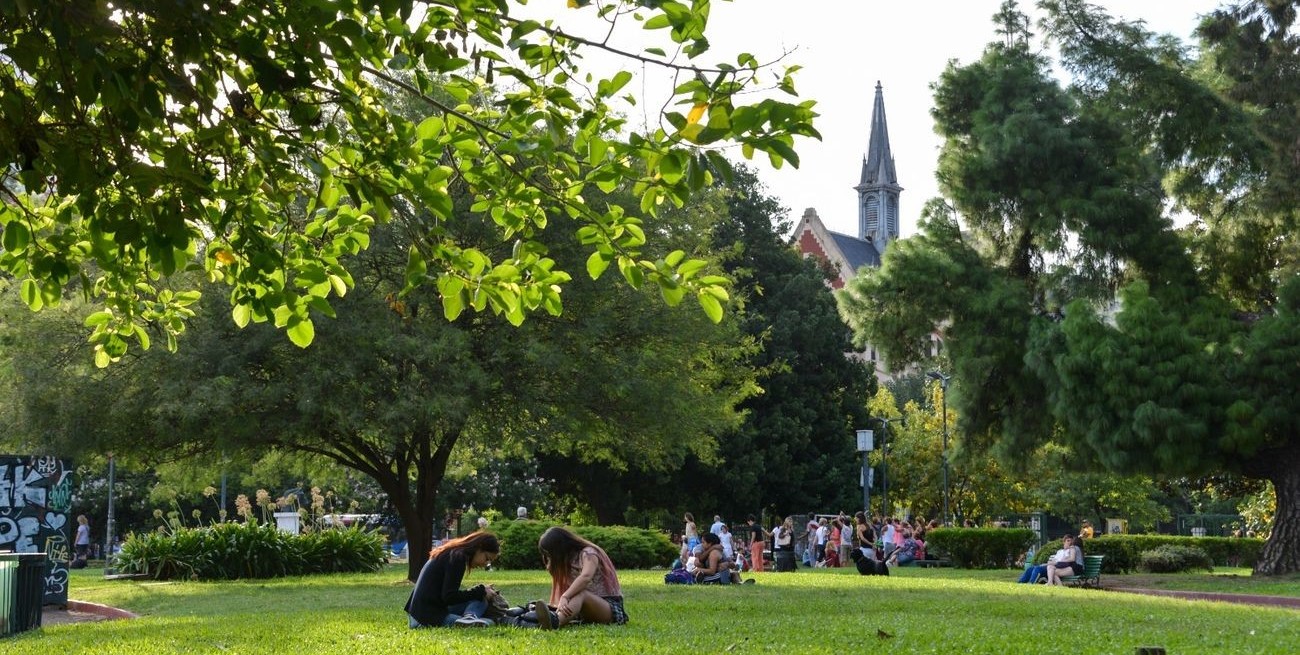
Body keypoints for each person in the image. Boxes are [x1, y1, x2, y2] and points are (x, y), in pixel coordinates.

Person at [405, 530, 501, 628]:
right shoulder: (457, 558)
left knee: (481, 598)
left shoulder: (453, 553)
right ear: (479, 548)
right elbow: (450, 597)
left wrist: (481, 591)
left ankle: (469, 617)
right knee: (489, 622)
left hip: (421, 613)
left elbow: (448, 596)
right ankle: (471, 619)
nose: (485, 564)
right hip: (425, 619)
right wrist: (480, 591)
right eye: (487, 558)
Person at [537, 526, 628, 628]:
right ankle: (534, 618)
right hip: (584, 610)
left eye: (550, 554)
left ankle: (555, 622)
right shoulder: (567, 561)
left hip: (609, 607)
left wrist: (565, 596)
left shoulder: (589, 553)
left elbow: (586, 576)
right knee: (575, 596)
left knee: (581, 594)